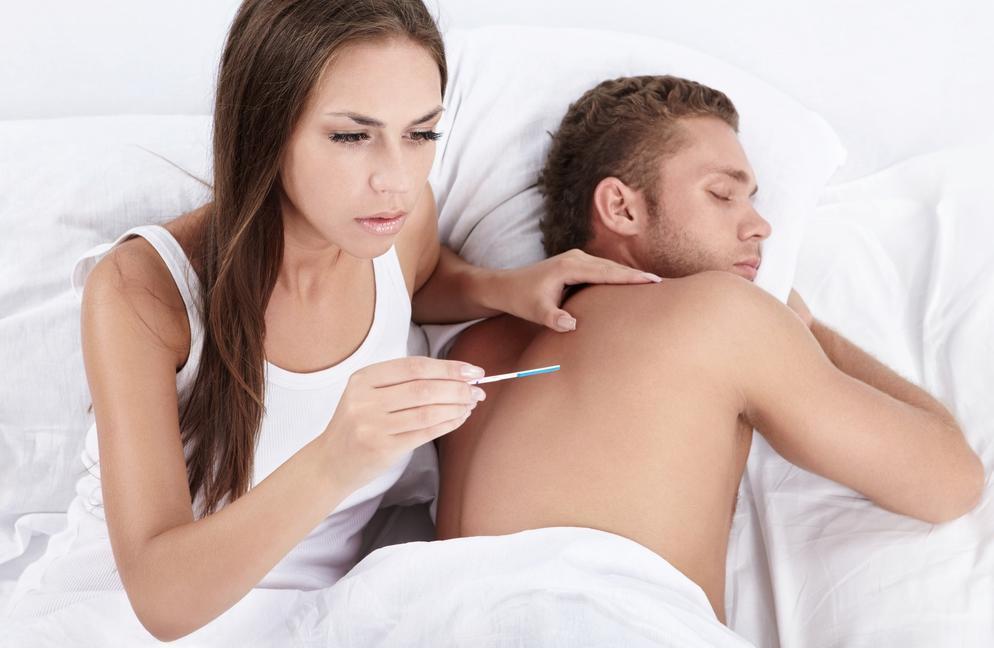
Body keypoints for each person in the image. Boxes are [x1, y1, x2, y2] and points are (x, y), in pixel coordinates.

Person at [1, 1, 661, 642]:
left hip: (314, 619)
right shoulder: (143, 289)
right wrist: (337, 458)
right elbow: (161, 602)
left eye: (421, 134)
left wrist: (506, 288)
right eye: (352, 136)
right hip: (120, 620)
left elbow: (421, 279)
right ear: (265, 128)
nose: (395, 180)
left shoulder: (400, 224)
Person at [434, 74, 985, 626]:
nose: (761, 226)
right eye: (722, 194)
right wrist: (810, 328)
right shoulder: (716, 312)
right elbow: (949, 483)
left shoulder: (473, 348)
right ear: (621, 207)